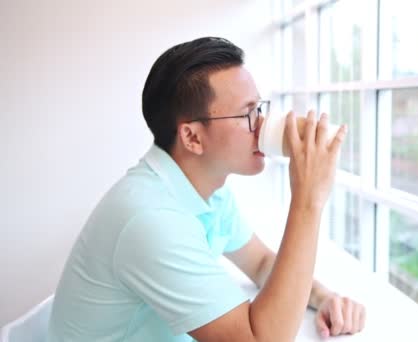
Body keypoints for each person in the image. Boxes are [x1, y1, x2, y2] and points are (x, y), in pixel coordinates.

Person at [47, 36, 366, 341]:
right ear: (192, 138)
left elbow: (261, 264)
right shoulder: (151, 219)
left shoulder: (206, 190)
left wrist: (323, 297)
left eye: (260, 109)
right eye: (248, 114)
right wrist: (308, 199)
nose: (263, 126)